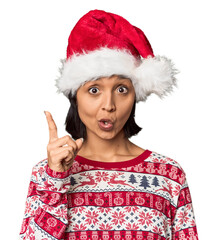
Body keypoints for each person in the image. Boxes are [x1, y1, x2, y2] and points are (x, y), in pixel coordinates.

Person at [19, 9, 199, 240]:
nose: (109, 105)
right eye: (94, 90)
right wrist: (56, 180)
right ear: (76, 96)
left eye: (121, 89)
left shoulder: (169, 175)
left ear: (135, 95)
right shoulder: (46, 173)